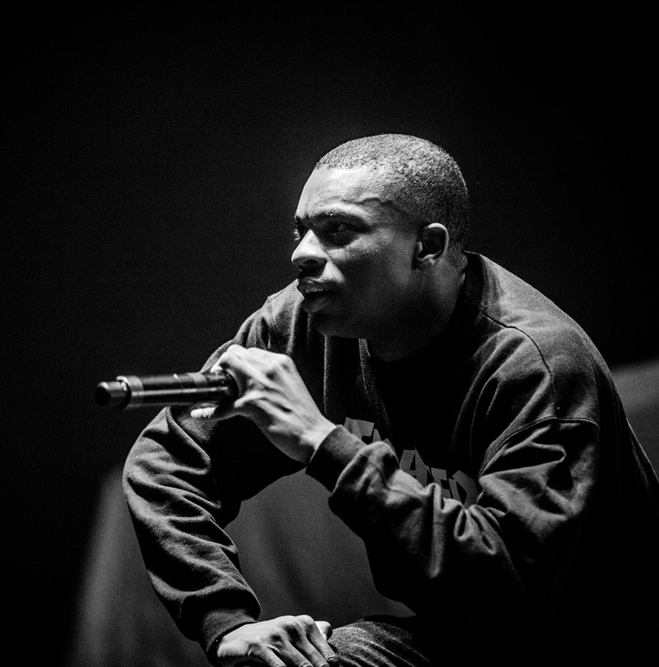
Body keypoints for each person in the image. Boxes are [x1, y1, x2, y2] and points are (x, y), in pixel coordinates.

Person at [122, 134, 659, 666]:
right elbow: (167, 462)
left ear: (426, 247)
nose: (301, 254)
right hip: (457, 635)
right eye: (300, 230)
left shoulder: (534, 365)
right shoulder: (308, 324)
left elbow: (508, 595)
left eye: (338, 231)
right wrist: (226, 623)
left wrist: (320, 441)